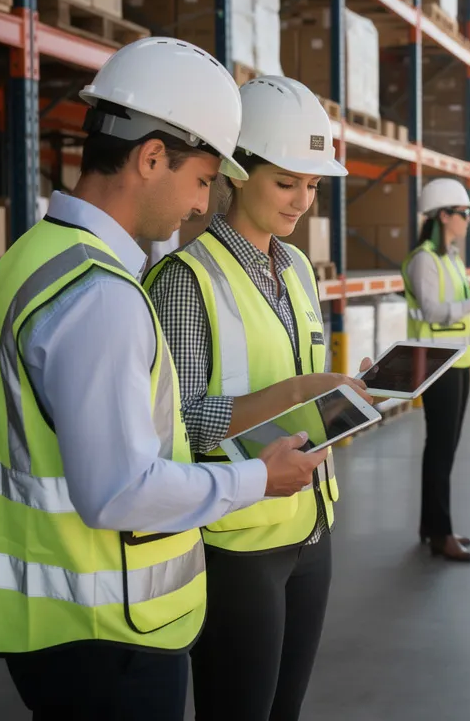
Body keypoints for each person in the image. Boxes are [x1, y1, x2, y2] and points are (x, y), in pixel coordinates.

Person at [0, 40, 329, 720]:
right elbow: (120, 491)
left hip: (59, 624)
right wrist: (255, 479)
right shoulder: (102, 293)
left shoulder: (32, 257)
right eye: (200, 180)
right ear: (151, 157)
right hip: (109, 632)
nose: (198, 205)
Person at [145, 76, 374, 721]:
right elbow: (181, 423)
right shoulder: (186, 282)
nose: (303, 200)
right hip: (237, 542)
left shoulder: (300, 269)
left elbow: (303, 377)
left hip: (312, 523)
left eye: (314, 184)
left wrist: (342, 399)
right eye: (286, 181)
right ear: (238, 173)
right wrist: (299, 391)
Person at [401, 178, 470, 563]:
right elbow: (433, 311)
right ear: (443, 216)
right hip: (437, 365)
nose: (467, 220)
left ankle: (434, 527)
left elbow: (458, 307)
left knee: (446, 449)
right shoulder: (424, 260)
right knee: (440, 450)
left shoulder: (452, 258)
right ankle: (439, 532)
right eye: (463, 213)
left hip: (457, 361)